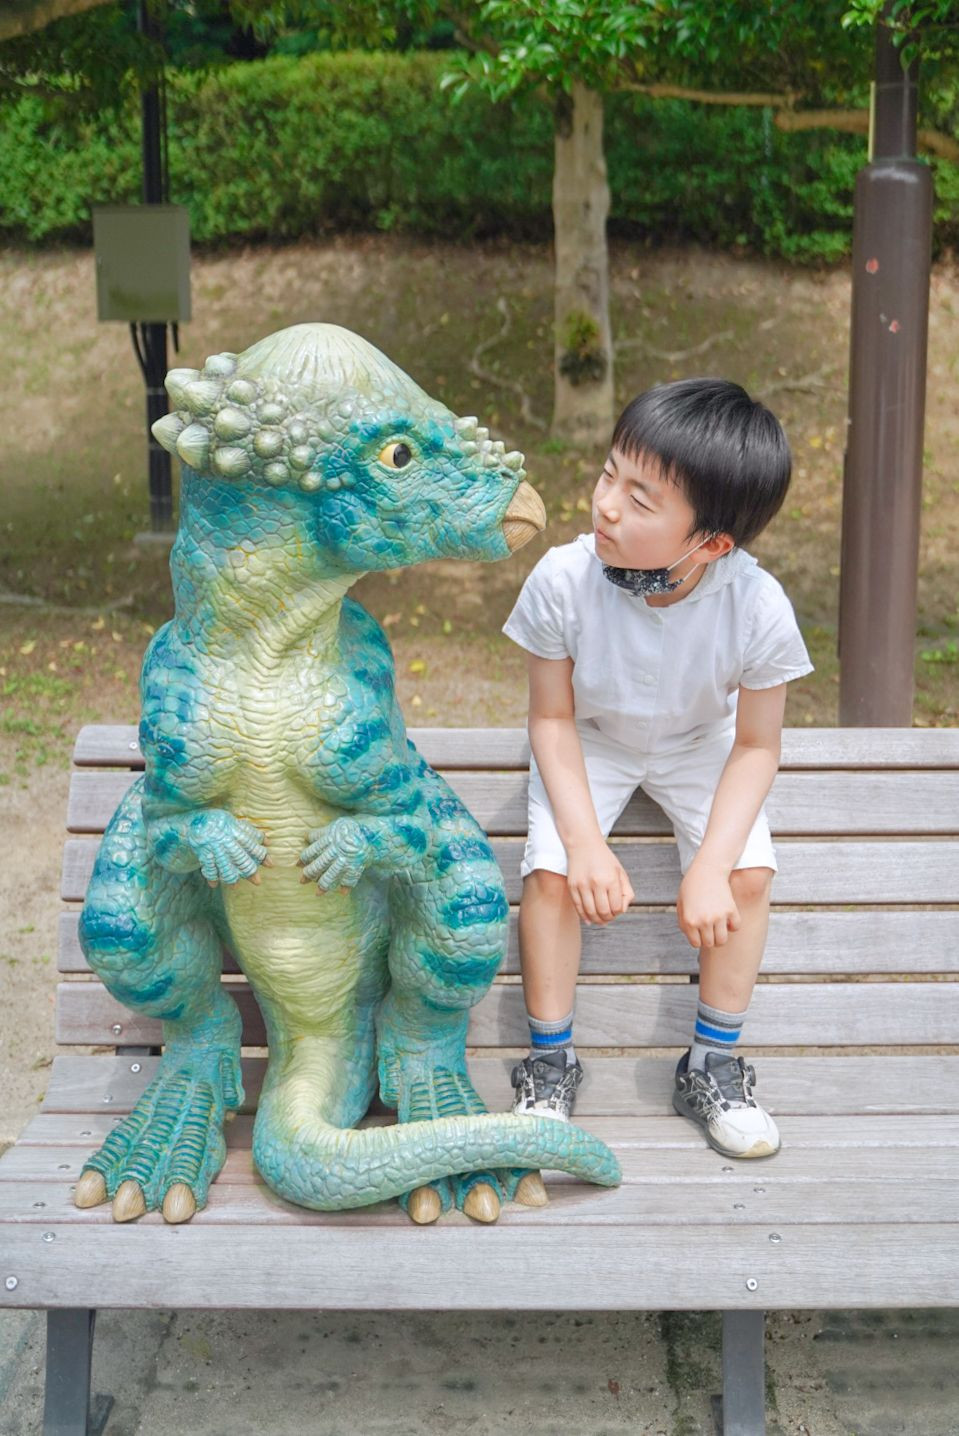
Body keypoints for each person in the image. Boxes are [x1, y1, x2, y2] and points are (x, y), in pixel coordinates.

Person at [501, 378, 813, 1159]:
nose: (605, 506)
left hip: (701, 742)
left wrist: (707, 869)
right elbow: (551, 719)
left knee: (745, 876)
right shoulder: (561, 580)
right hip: (591, 736)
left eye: (640, 501)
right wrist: (584, 844)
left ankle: (711, 1065)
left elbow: (755, 746)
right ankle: (548, 1063)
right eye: (609, 475)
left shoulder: (757, 605)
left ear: (710, 544)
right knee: (550, 873)